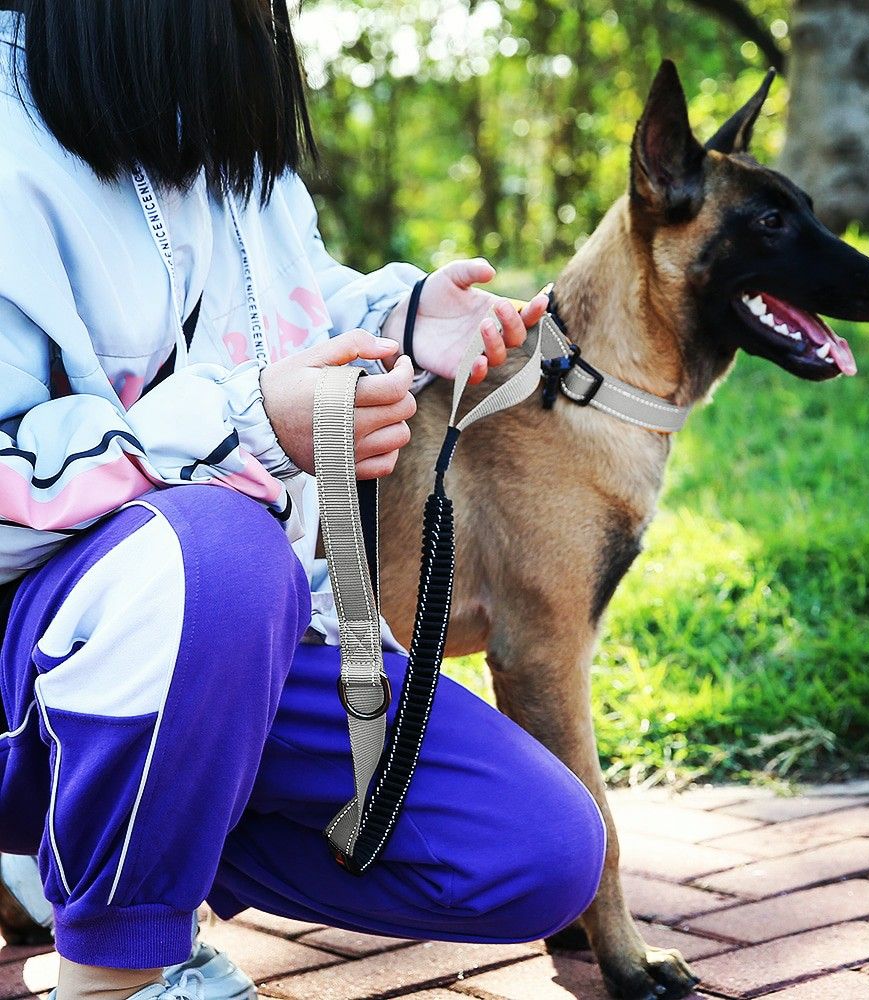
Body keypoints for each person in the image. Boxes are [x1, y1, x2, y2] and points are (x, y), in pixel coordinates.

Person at [0, 3, 607, 999]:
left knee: (538, 850)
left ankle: (137, 846)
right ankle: (118, 967)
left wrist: (400, 321)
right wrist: (244, 423)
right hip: (48, 650)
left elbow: (287, 308)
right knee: (222, 553)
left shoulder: (222, 121)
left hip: (239, 643)